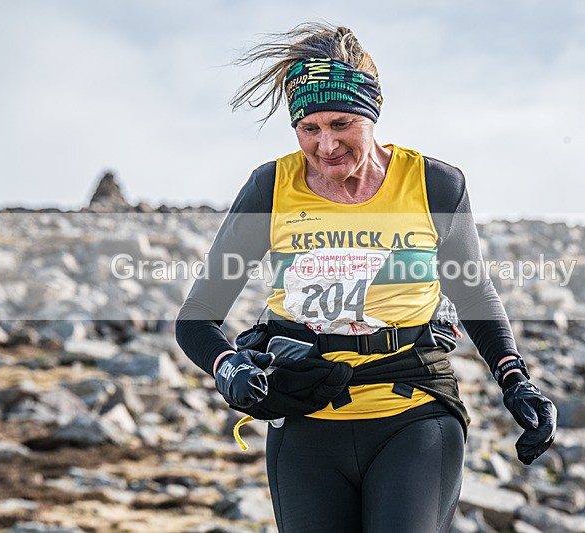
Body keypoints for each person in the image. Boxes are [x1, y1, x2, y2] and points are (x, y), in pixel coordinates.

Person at [175, 23, 556, 533]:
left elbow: (473, 291)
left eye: (341, 123)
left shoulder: (435, 185)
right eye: (309, 128)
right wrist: (229, 368)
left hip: (415, 410)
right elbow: (197, 318)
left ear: (372, 114)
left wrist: (517, 382)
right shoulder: (271, 187)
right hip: (307, 418)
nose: (326, 144)